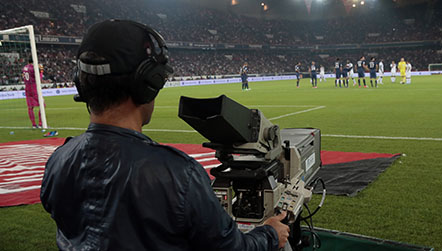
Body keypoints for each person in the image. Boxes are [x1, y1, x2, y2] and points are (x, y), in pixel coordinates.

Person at [40, 19, 289, 251]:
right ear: (147, 84)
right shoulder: (179, 175)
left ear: (81, 83)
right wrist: (269, 233)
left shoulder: (58, 161)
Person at [22, 59, 44, 128]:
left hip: (27, 88)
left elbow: (23, 76)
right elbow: (39, 78)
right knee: (42, 105)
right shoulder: (33, 68)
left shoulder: (24, 68)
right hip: (34, 87)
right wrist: (41, 71)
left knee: (30, 107)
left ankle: (34, 124)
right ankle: (40, 123)